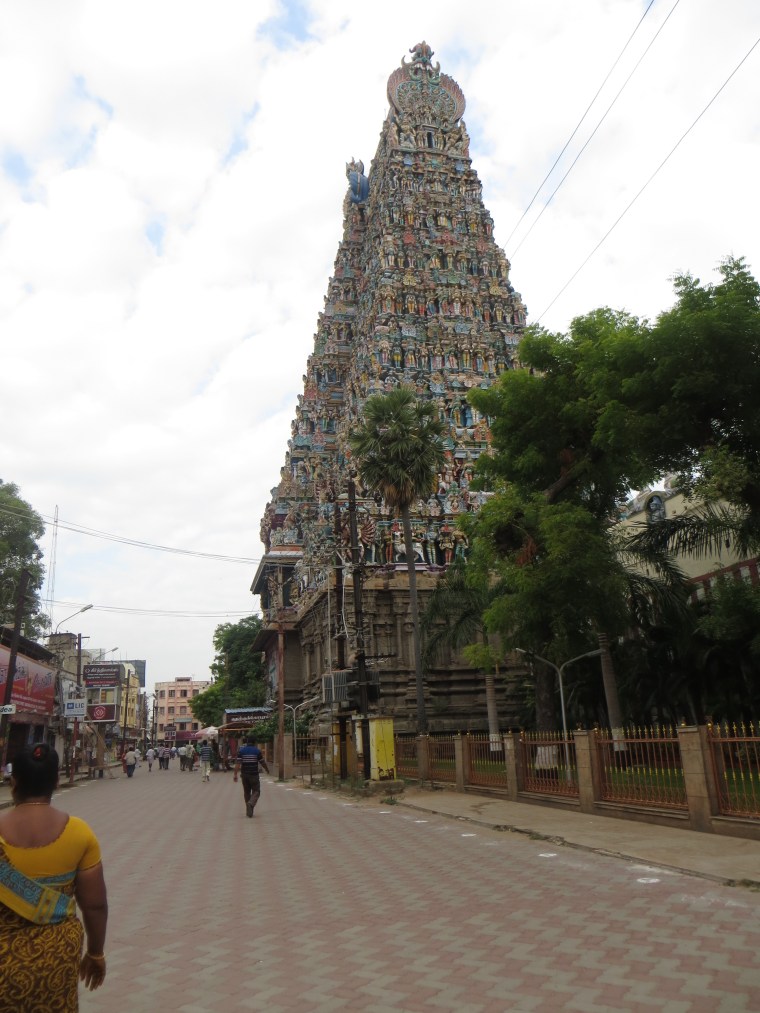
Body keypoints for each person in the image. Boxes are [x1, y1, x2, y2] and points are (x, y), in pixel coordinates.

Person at [0, 743, 108, 1008]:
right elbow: (94, 906)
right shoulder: (79, 833)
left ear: (13, 782)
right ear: (56, 782)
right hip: (57, 955)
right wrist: (95, 953)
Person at [233, 736, 270, 818]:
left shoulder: (241, 751)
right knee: (256, 791)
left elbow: (238, 763)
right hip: (254, 775)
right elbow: (262, 762)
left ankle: (249, 810)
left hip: (244, 775)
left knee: (246, 792)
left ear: (247, 742)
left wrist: (235, 774)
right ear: (254, 743)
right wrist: (267, 769)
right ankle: (251, 803)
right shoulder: (257, 751)